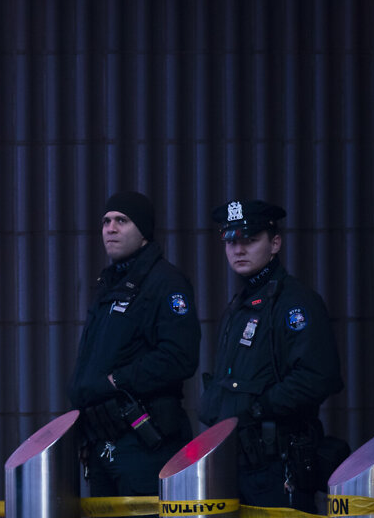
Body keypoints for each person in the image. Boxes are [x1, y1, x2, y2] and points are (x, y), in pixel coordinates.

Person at [199, 199, 343, 513]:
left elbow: (318, 377)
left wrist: (257, 408)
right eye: (231, 241)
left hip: (278, 464)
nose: (238, 250)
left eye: (250, 241)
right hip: (234, 464)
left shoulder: (295, 303)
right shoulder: (240, 305)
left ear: (274, 243)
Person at [68, 191, 201, 505]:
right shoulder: (110, 284)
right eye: (106, 221)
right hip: (103, 441)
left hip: (143, 443)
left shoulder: (166, 282)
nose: (110, 228)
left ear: (144, 232)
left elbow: (179, 357)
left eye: (122, 221)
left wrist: (116, 381)